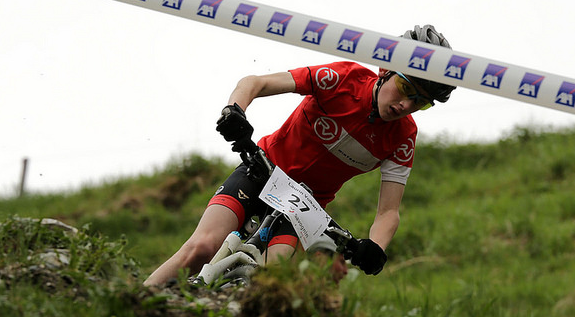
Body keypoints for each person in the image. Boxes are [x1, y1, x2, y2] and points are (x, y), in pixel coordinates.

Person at [144, 25, 455, 286]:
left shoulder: (403, 137)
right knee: (202, 247)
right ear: (386, 69)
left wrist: (375, 247)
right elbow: (256, 82)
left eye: (420, 102)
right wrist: (234, 110)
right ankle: (133, 303)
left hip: (302, 209)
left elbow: (389, 212)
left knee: (266, 283)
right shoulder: (340, 80)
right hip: (261, 172)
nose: (405, 105)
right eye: (404, 87)